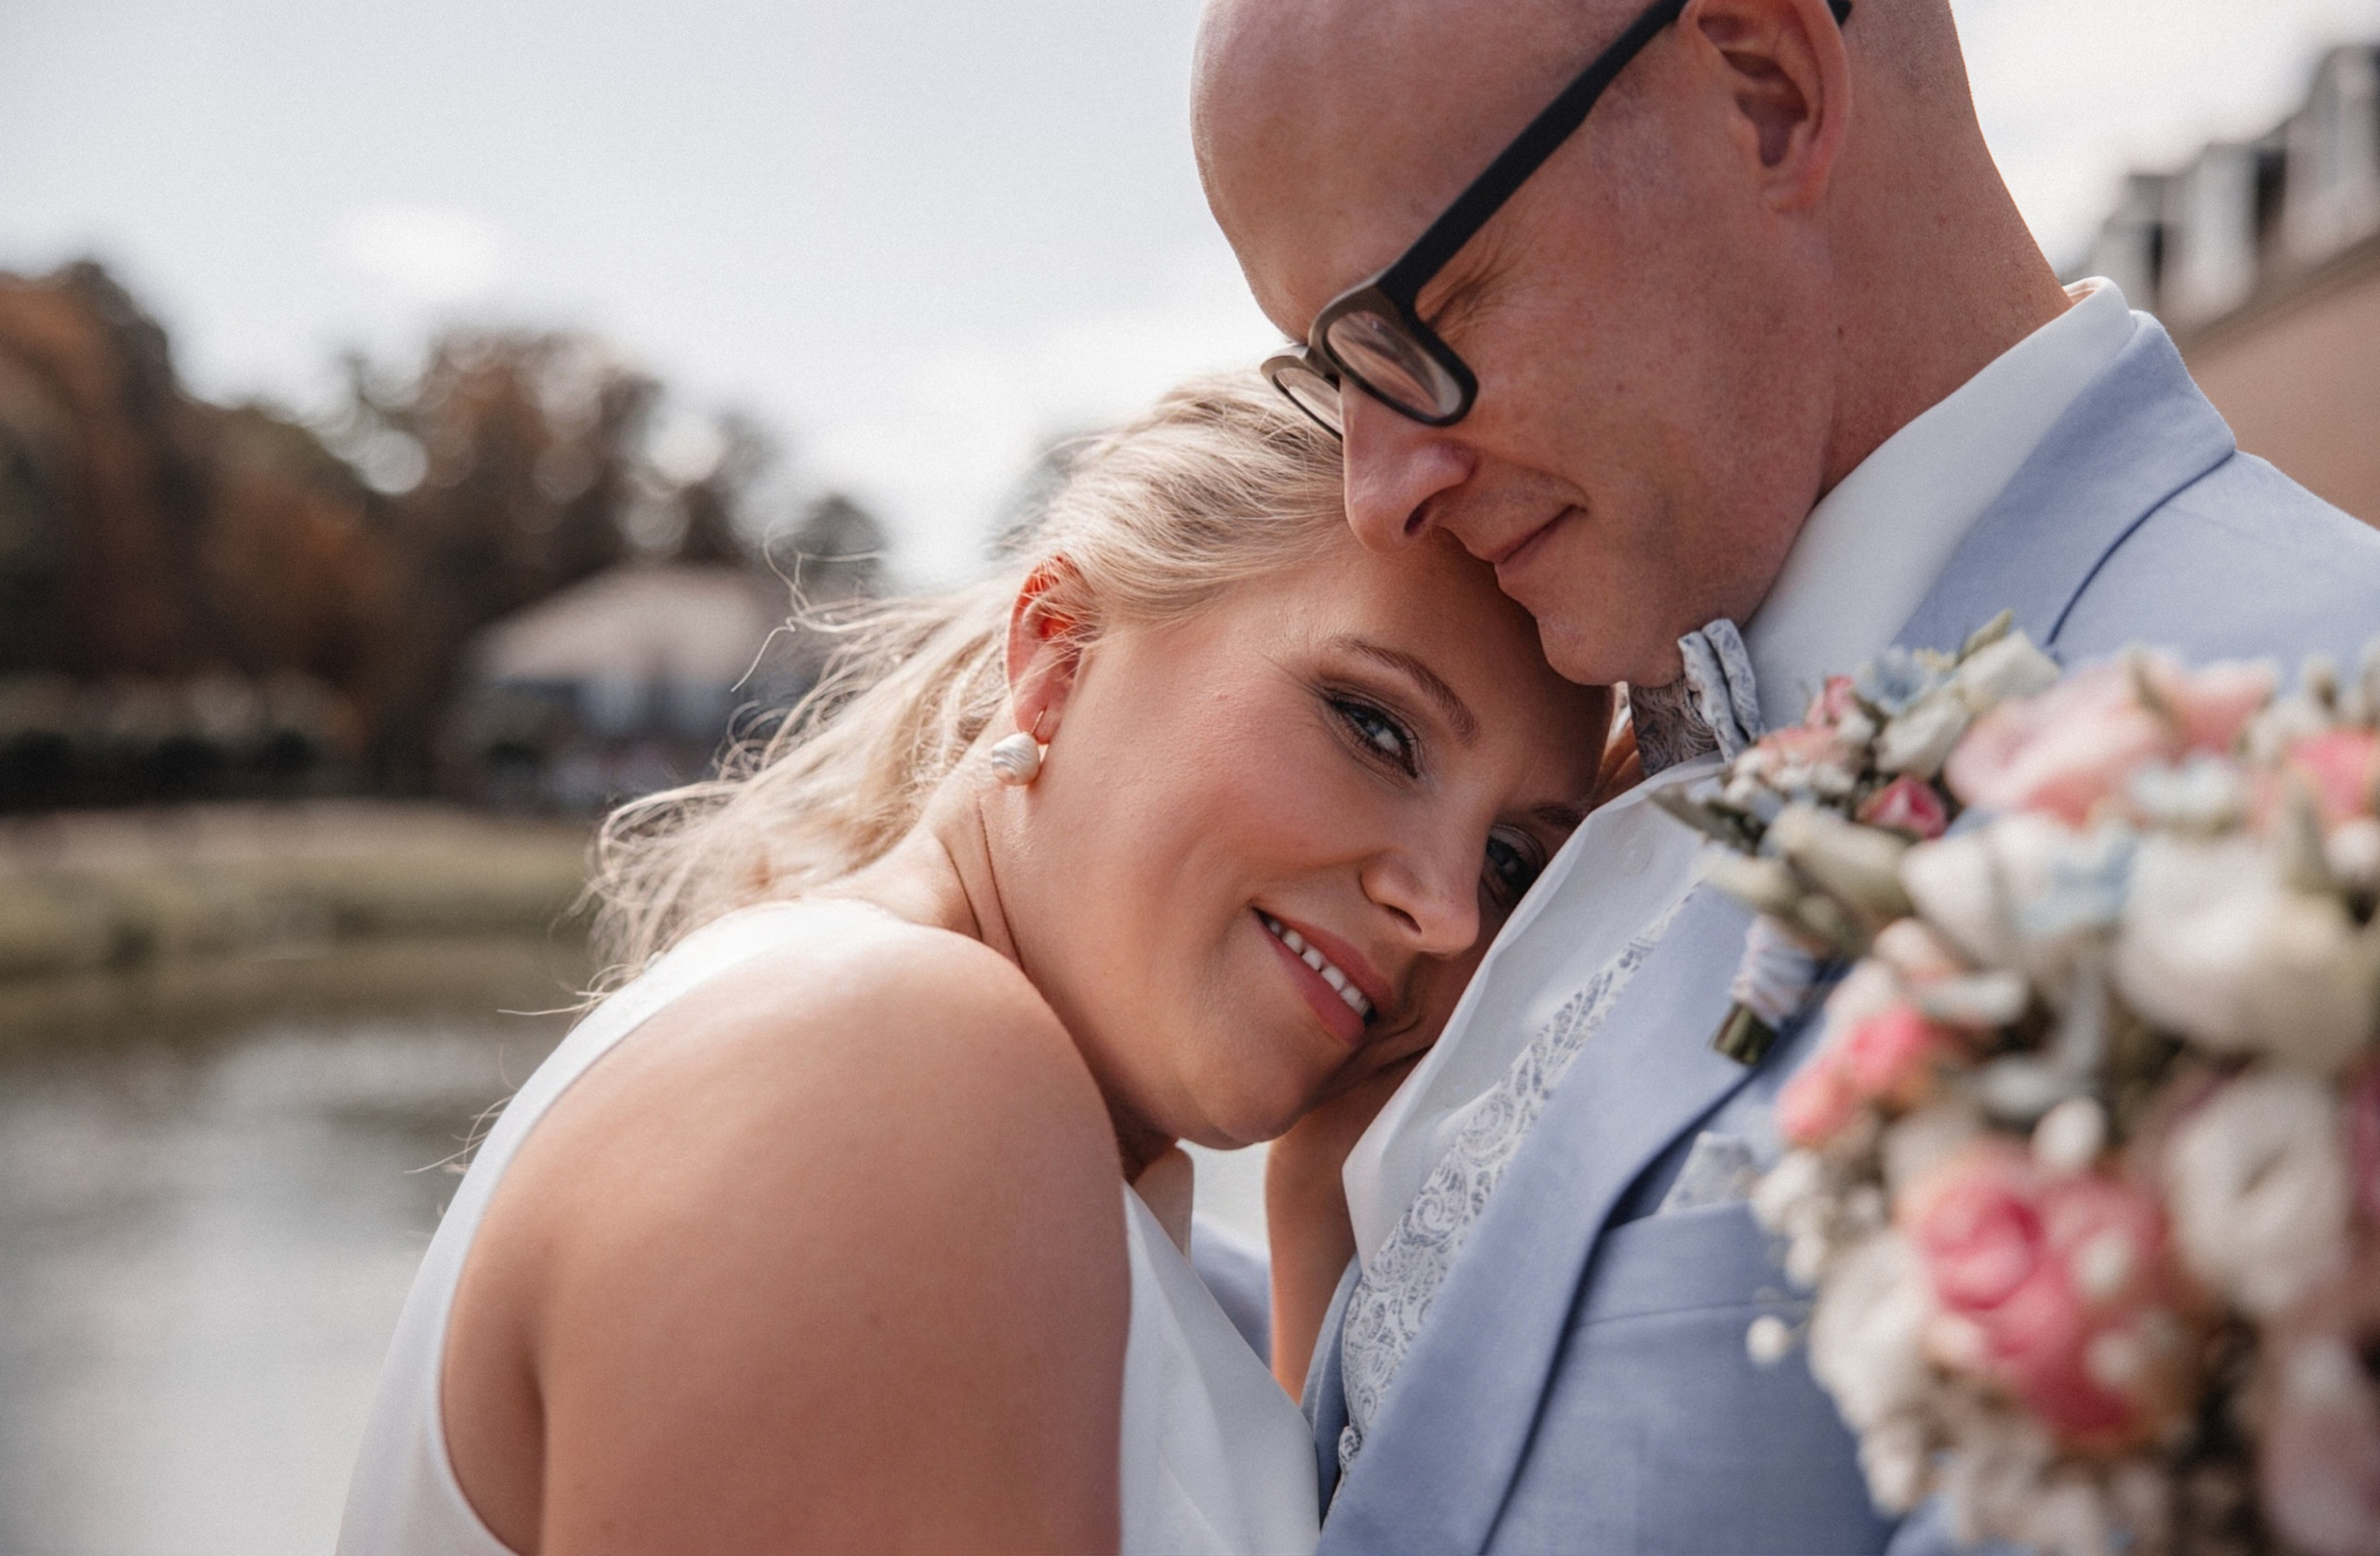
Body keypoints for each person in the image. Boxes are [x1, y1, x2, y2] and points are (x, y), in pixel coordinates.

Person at [1192, 0, 2380, 1551]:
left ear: (1766, 93)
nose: (1378, 492)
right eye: (1334, 377)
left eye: (1419, 321)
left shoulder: (2327, 747)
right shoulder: (1516, 822)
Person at [335, 376, 1611, 1555]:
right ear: (1058, 654)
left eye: (1511, 859)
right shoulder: (891, 1064)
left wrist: (1328, 1227)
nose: (1448, 912)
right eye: (1375, 725)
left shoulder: (1075, 1190)